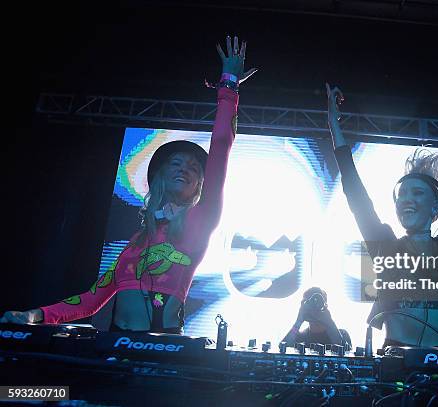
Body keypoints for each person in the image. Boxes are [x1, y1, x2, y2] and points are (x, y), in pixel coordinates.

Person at [0, 36, 257, 334]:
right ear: (159, 175)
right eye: (176, 163)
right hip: (116, 356)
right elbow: (89, 301)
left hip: (166, 355)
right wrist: (35, 315)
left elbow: (221, 144)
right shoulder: (132, 247)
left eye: (194, 167)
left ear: (201, 183)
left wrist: (229, 85)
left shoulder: (200, 221)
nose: (184, 168)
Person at [326, 83, 438, 347]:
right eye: (402, 194)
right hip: (396, 368)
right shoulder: (386, 246)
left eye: (417, 193)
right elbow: (356, 195)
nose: (406, 200)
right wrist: (334, 126)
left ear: (437, 207)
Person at [282, 287, 352, 350]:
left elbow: (347, 355)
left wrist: (330, 322)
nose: (313, 307)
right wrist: (298, 321)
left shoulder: (342, 334)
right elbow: (281, 351)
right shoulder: (299, 337)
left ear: (325, 306)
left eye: (318, 302)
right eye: (307, 302)